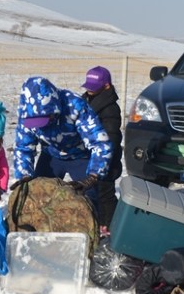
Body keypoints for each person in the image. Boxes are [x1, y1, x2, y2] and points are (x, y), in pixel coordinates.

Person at [12, 76, 113, 209]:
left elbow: (100, 142)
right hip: (51, 154)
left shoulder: (75, 106)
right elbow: (23, 146)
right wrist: (24, 174)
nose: (41, 126)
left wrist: (93, 176)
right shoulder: (27, 114)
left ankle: (89, 227)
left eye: (45, 119)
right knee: (37, 196)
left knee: (87, 197)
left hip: (79, 155)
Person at [81, 66, 122, 231]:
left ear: (106, 86)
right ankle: (98, 221)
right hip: (90, 155)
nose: (90, 90)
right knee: (93, 193)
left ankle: (111, 225)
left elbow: (111, 136)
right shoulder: (86, 100)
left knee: (105, 193)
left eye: (94, 87)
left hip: (107, 158)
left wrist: (104, 158)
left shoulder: (110, 108)